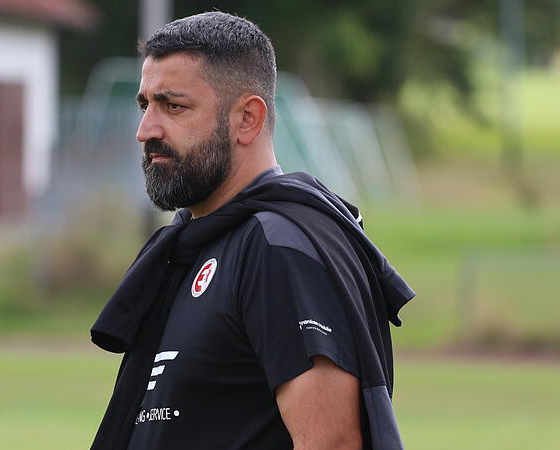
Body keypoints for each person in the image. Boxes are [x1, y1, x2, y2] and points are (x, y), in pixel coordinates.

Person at [90, 11, 414, 450]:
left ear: (247, 119)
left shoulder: (279, 248)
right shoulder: (192, 247)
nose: (146, 130)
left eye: (173, 106)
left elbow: (332, 442)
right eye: (145, 105)